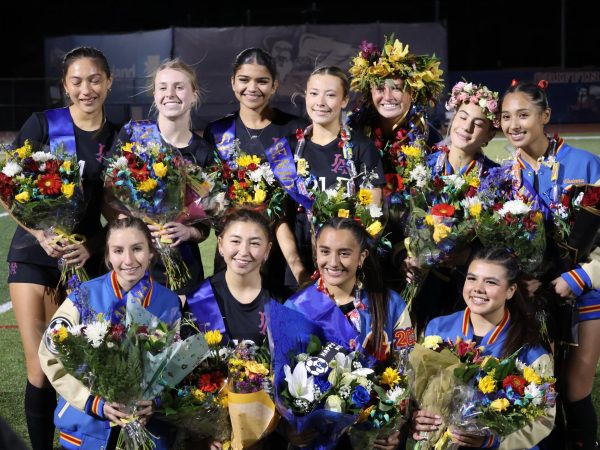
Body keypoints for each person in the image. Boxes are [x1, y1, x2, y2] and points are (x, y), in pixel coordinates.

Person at [6, 46, 118, 450]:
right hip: (33, 258)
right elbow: (10, 191)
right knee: (39, 369)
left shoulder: (116, 136)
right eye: (76, 81)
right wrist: (38, 235)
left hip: (81, 262)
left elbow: (117, 210)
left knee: (72, 367)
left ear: (108, 82)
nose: (85, 89)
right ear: (64, 86)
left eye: (94, 80)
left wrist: (91, 245)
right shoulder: (42, 124)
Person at [501, 80, 600, 449]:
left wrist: (582, 275)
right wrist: (518, 279)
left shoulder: (586, 164)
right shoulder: (501, 177)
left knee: (575, 389)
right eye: (506, 117)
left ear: (545, 116)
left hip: (584, 292)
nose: (514, 124)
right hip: (530, 295)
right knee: (539, 390)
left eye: (523, 115)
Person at [38, 216, 181, 450]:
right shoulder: (84, 296)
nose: (128, 260)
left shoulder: (168, 301)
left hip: (148, 432)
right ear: (107, 255)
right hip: (88, 430)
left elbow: (175, 364)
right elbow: (49, 353)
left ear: (151, 252)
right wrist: (92, 402)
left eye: (137, 249)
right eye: (118, 250)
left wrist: (155, 401)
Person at [285, 216, 415, 449]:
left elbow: (407, 373)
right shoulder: (296, 306)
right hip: (315, 439)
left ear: (362, 257)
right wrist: (289, 427)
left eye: (344, 253)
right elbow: (281, 376)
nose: (333, 262)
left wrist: (394, 427)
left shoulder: (390, 304)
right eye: (325, 251)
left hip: (372, 437)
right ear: (316, 252)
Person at [413, 247, 555, 449]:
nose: (478, 288)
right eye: (472, 278)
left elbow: (544, 419)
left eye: (490, 282)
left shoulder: (529, 348)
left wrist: (493, 442)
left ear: (510, 291)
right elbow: (420, 388)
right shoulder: (438, 328)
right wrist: (417, 417)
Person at [203, 47, 308, 298]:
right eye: (244, 80)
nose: (252, 88)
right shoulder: (217, 132)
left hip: (283, 252)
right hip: (235, 252)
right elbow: (207, 196)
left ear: (274, 85)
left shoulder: (294, 130)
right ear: (232, 82)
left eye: (262, 81)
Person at [107, 58, 212, 296]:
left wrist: (188, 232)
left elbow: (206, 223)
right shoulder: (133, 134)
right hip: (132, 264)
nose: (170, 93)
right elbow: (109, 194)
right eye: (163, 87)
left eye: (179, 87)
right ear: (154, 95)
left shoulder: (204, 152)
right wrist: (131, 223)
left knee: (181, 332)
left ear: (194, 95)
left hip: (183, 266)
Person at [275, 66, 385, 290]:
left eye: (331, 94)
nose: (321, 102)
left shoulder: (362, 148)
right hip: (299, 275)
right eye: (314, 93)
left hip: (348, 272)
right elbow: (280, 217)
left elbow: (372, 214)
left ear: (344, 100)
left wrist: (349, 266)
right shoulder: (284, 150)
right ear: (306, 96)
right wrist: (299, 270)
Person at [346, 36, 445, 286]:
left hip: (412, 254)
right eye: (380, 87)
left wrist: (414, 250)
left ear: (413, 90)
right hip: (363, 246)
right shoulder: (353, 133)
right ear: (369, 91)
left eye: (397, 87)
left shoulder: (429, 137)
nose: (387, 96)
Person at [408, 81, 501, 332]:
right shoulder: (420, 166)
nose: (467, 127)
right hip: (421, 282)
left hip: (468, 286)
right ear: (453, 117)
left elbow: (500, 240)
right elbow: (402, 220)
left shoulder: (495, 178)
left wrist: (468, 255)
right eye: (463, 117)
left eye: (479, 124)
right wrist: (406, 256)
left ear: (490, 135)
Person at [185, 208, 274, 345]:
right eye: (235, 241)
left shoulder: (281, 300)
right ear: (220, 245)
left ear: (267, 250)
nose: (244, 251)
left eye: (254, 243)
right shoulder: (198, 298)